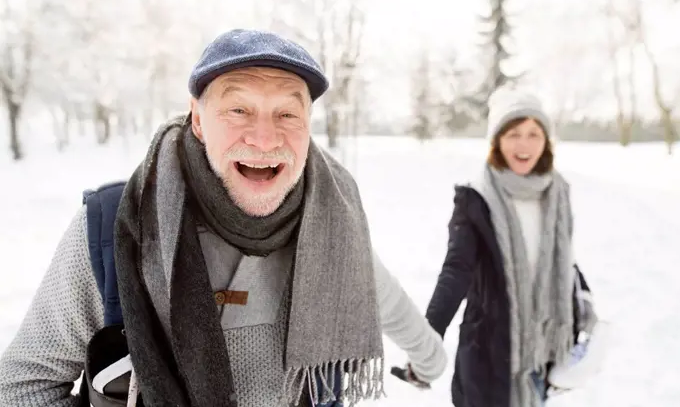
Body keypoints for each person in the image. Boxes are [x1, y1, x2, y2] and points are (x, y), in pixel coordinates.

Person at [0, 29, 447, 407]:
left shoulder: (332, 228)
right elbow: (23, 386)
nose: (264, 137)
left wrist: (431, 362)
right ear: (198, 119)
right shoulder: (117, 228)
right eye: (239, 109)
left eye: (287, 113)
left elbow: (392, 305)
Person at [424, 87, 599, 407]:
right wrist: (428, 333)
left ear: (546, 140)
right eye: (514, 133)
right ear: (497, 140)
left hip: (542, 351)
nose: (524, 144)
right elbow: (456, 270)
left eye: (534, 133)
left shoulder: (557, 193)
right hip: (489, 351)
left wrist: (584, 303)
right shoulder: (475, 197)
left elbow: (563, 260)